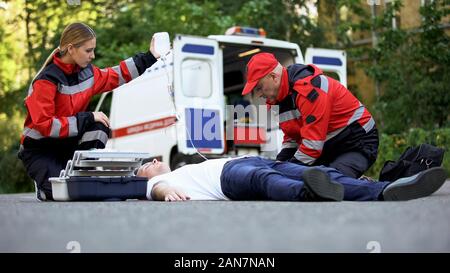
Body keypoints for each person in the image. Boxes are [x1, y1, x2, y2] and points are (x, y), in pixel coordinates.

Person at [18, 22, 162, 201]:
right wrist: (87, 116)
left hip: (67, 146)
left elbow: (116, 75)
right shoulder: (45, 81)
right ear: (71, 49)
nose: (92, 55)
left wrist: (150, 57)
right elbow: (45, 125)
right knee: (62, 194)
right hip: (40, 150)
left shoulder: (88, 73)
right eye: (88, 50)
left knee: (99, 125)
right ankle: (45, 186)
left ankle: (82, 173)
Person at [241, 52, 379, 179]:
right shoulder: (275, 101)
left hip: (357, 141)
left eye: (259, 87)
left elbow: (312, 145)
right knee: (307, 181)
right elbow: (292, 139)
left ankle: (376, 188)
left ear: (273, 77)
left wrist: (286, 173)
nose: (258, 94)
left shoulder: (308, 89)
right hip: (327, 146)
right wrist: (278, 166)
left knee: (330, 182)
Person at [137, 156, 447, 202]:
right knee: (263, 179)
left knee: (321, 172)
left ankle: (384, 190)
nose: (153, 162)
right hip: (227, 178)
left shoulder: (182, 165)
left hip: (244, 159)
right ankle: (307, 193)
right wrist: (166, 192)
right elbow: (159, 188)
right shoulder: (153, 184)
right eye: (146, 165)